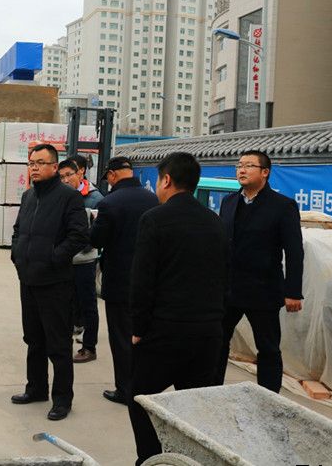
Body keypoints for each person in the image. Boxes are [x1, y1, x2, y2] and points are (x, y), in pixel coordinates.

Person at [127, 152, 229, 465]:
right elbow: (223, 275)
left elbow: (143, 280)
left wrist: (138, 328)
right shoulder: (214, 221)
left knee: (140, 399)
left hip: (166, 330)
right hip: (208, 333)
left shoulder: (155, 219)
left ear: (167, 180)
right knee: (193, 406)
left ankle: (152, 460)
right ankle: (187, 460)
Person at [214, 150, 304, 393]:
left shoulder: (282, 206)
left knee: (268, 348)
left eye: (248, 166)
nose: (241, 170)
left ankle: (268, 398)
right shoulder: (229, 202)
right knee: (217, 343)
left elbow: (294, 251)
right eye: (239, 165)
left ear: (265, 172)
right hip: (229, 288)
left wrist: (293, 291)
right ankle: (213, 391)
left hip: (263, 290)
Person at [10, 144, 89, 421]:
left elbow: (79, 236)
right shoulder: (29, 196)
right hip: (29, 279)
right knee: (33, 339)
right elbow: (18, 230)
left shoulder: (69, 197)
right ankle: (36, 389)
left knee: (58, 344)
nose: (34, 167)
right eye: (31, 163)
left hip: (55, 282)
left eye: (40, 163)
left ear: (54, 167)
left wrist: (53, 258)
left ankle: (62, 399)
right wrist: (17, 254)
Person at [90, 156, 158, 405]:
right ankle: (145, 387)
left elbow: (96, 240)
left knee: (121, 337)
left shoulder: (110, 203)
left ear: (112, 175)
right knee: (144, 336)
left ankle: (125, 390)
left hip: (119, 280)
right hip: (149, 280)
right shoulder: (153, 199)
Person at [58, 159, 103, 364]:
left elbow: (97, 232)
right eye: (61, 177)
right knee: (65, 302)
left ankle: (89, 347)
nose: (66, 180)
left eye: (69, 175)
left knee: (88, 304)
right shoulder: (59, 197)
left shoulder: (94, 199)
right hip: (65, 260)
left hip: (84, 261)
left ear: (80, 173)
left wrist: (79, 244)